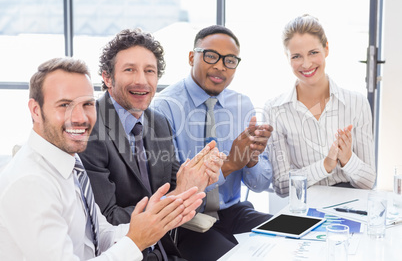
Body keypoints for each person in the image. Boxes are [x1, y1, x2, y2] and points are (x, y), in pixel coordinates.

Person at [0, 57, 206, 260]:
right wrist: (136, 242)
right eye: (64, 105)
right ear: (36, 110)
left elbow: (100, 233)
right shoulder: (30, 183)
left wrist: (151, 221)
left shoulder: (68, 161)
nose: (80, 118)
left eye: (88, 104)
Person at [79, 29, 226, 260]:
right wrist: (178, 196)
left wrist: (198, 182)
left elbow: (189, 201)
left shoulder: (159, 123)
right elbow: (107, 219)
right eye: (130, 70)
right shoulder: (89, 129)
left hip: (165, 248)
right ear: (107, 77)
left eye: (150, 71)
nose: (142, 80)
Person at [151, 25, 273, 261]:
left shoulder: (243, 105)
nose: (220, 66)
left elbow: (259, 184)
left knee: (284, 238)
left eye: (229, 60)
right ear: (191, 57)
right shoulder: (164, 108)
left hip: (234, 212)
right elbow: (171, 189)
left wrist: (251, 160)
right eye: (210, 56)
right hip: (186, 221)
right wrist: (229, 165)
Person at [263, 15, 376, 197]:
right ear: (287, 57)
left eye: (313, 52)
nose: (306, 64)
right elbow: (282, 186)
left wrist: (347, 159)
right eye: (296, 56)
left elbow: (368, 182)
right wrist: (325, 165)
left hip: (350, 204)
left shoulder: (357, 103)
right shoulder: (275, 110)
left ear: (326, 48)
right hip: (304, 206)